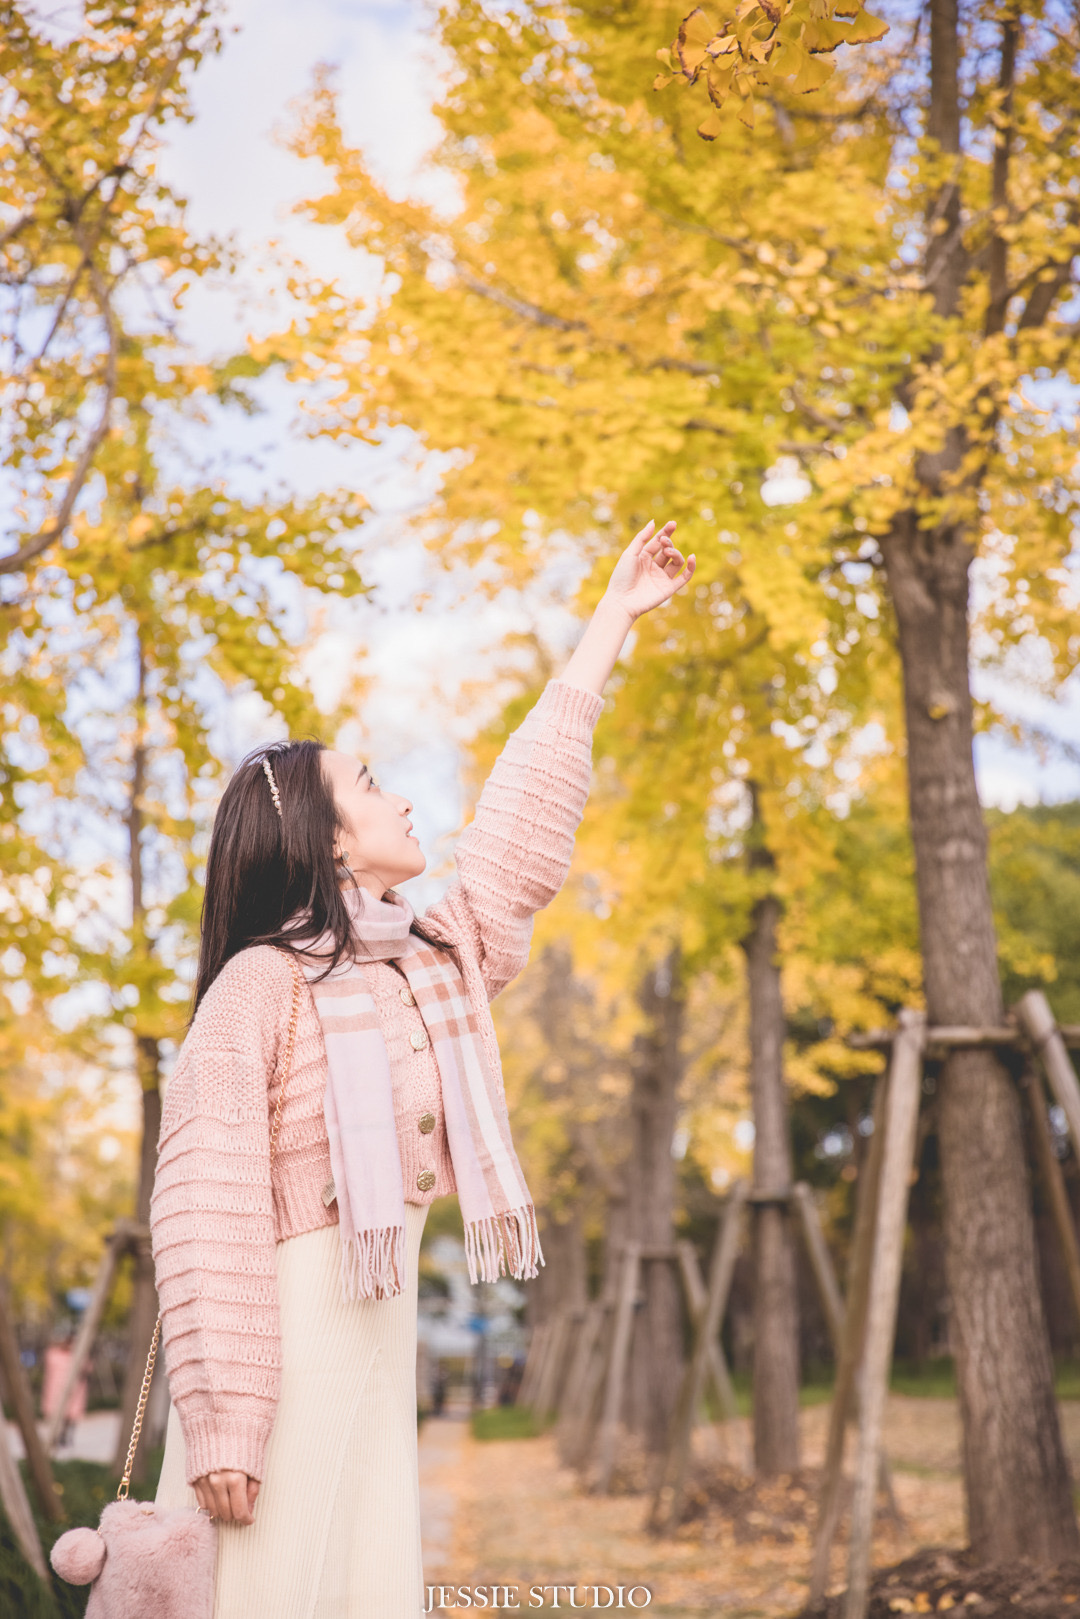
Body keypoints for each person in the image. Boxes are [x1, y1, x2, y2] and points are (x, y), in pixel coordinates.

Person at [151, 521, 694, 1618]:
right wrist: (223, 1415)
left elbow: (519, 839)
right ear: (330, 841)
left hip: (374, 1320)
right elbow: (203, 1205)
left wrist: (608, 627)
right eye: (372, 784)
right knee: (269, 1589)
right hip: (281, 1338)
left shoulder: (419, 967)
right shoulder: (258, 987)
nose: (402, 798)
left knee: (358, 1590)